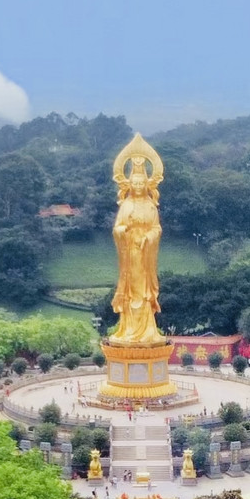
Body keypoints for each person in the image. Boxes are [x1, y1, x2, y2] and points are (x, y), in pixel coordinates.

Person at [110, 135, 165, 345]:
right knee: (132, 289)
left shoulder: (151, 206)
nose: (140, 186)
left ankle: (147, 331)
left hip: (145, 254)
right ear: (129, 183)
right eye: (136, 182)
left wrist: (149, 237)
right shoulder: (126, 205)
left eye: (143, 182)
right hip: (130, 253)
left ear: (148, 183)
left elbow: (156, 228)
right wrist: (123, 231)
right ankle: (129, 330)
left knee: (144, 291)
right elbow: (117, 228)